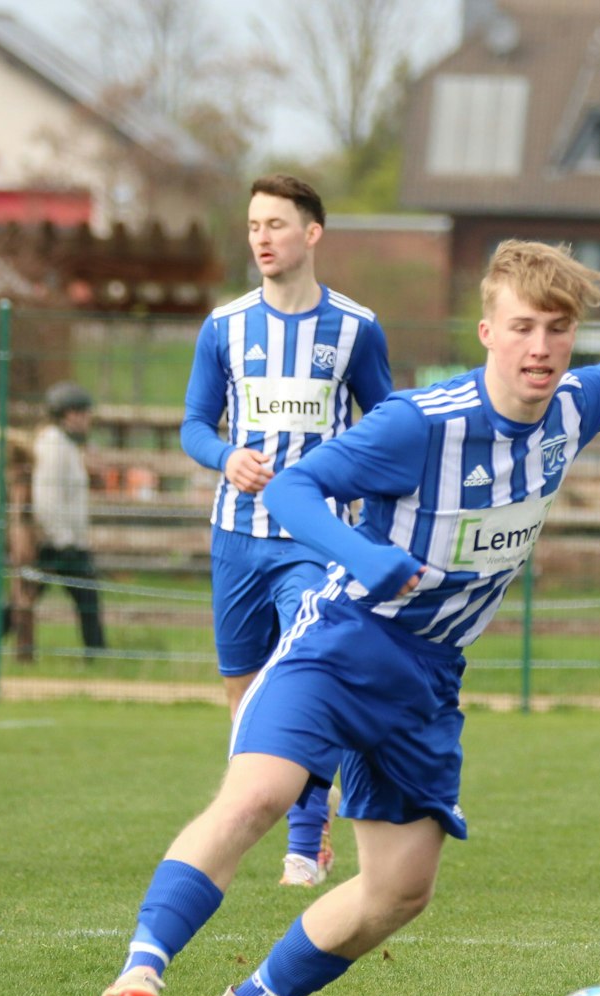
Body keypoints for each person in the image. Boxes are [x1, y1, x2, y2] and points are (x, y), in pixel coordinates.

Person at [90, 215, 600, 996]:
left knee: (400, 889)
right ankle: (142, 967)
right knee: (257, 796)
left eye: (558, 329)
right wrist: (363, 554)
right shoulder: (418, 424)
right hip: (341, 642)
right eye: (522, 326)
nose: (541, 347)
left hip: (428, 677)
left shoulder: (575, 410)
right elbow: (294, 488)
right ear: (488, 332)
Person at [181, 175, 393, 887]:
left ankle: (305, 844)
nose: (262, 237)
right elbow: (192, 424)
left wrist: (365, 503)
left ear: (312, 233)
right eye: (252, 225)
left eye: (276, 223)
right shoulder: (225, 326)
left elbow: (387, 426)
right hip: (236, 538)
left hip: (315, 538)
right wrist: (224, 456)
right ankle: (244, 828)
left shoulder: (357, 327)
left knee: (304, 680)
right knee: (244, 695)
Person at [0, 382, 107, 653]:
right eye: (83, 414)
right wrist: (65, 541)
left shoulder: (68, 445)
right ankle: (98, 653)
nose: (87, 420)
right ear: (68, 415)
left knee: (26, 597)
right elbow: (47, 500)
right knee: (84, 598)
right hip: (56, 543)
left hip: (65, 541)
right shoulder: (52, 446)